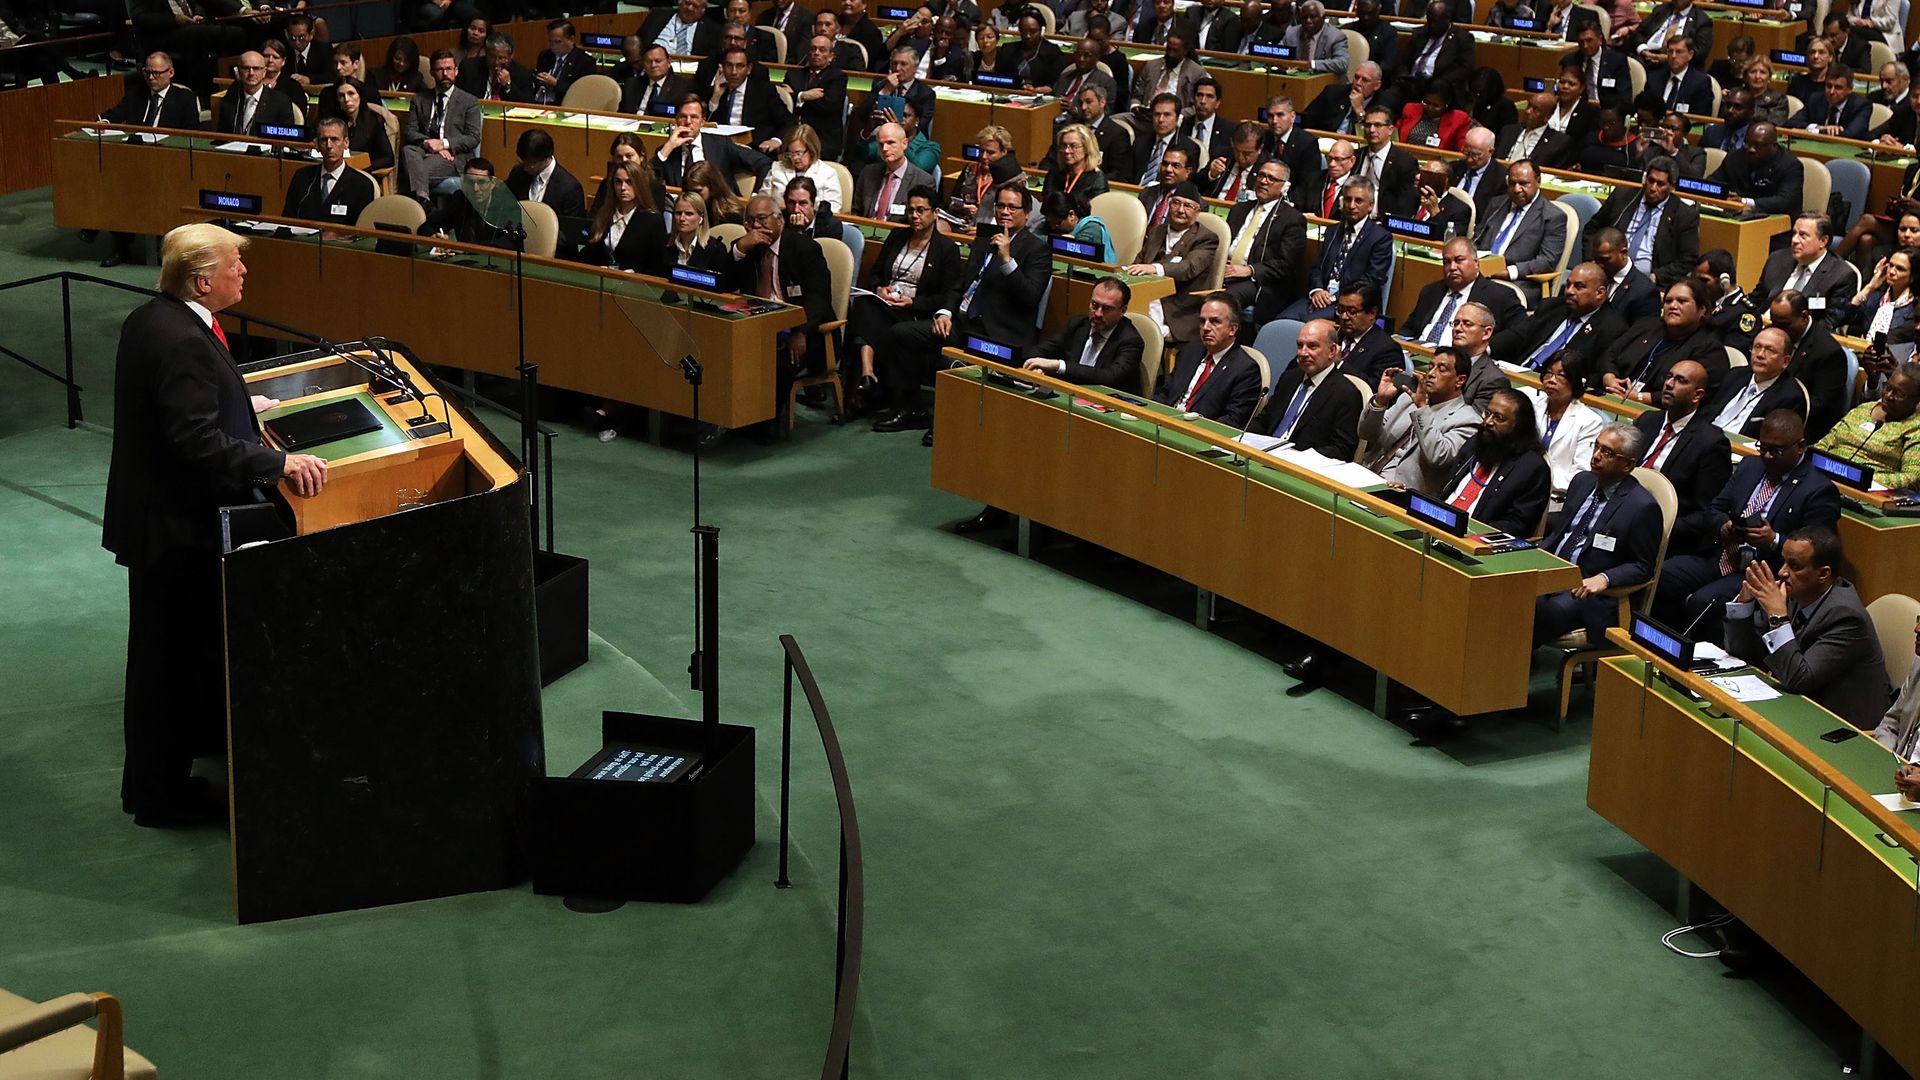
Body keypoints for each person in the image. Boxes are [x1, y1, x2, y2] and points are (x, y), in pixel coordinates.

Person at [103, 223, 328, 827]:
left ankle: (159, 783)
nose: (244, 272)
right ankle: (159, 797)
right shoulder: (182, 340)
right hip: (177, 529)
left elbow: (181, 407)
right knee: (165, 667)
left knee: (164, 658)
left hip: (156, 521)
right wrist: (280, 461)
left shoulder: (156, 319)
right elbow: (194, 440)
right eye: (235, 264)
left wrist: (240, 404)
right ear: (203, 280)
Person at [874, 183, 1052, 432]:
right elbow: (961, 284)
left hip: (998, 331)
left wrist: (1007, 260)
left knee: (952, 356)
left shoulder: (1037, 249)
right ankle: (913, 409)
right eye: (1000, 205)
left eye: (1012, 207)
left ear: (1027, 212)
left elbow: (1030, 297)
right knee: (901, 334)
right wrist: (945, 312)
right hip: (963, 322)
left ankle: (950, 424)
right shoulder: (984, 238)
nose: (1005, 212)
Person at [1656, 409, 1840, 639]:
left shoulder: (1819, 490)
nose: (1768, 456)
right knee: (1662, 577)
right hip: (1723, 555)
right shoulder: (1750, 466)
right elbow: (1714, 509)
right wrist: (1724, 527)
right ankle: (1660, 649)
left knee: (1704, 603)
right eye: (1763, 448)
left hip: (1764, 571)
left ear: (1801, 446)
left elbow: (1820, 549)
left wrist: (1773, 540)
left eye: (1777, 450)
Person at [1725, 527, 1890, 729]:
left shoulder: (1846, 617)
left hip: (1840, 729)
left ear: (1823, 574)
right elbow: (1741, 651)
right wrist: (1744, 604)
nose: (1782, 572)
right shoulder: (1797, 595)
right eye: (1784, 561)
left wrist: (1777, 616)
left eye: (1794, 566)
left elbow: (1798, 679)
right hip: (1798, 707)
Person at [1532, 422, 1664, 645]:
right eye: (1597, 446)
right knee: (1506, 591)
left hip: (1590, 592)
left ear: (1628, 465)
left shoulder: (1642, 507)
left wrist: (1604, 579)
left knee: (1537, 611)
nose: (1596, 456)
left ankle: (1511, 669)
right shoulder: (1582, 482)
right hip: (1553, 571)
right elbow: (1561, 532)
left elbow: (1642, 566)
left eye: (1608, 452)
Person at [847, 186, 964, 407]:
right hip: (887, 304)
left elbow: (947, 295)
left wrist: (913, 302)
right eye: (911, 210)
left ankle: (864, 387)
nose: (915, 216)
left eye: (921, 210)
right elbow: (876, 273)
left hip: (914, 313)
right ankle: (868, 373)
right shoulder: (897, 235)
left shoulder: (946, 248)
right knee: (864, 304)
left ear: (935, 212)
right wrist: (880, 288)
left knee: (870, 320)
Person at [1634, 359, 1733, 554]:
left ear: (1697, 395)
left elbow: (1706, 512)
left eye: (1681, 380)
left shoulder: (1711, 443)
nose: (1669, 384)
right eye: (1669, 377)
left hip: (1664, 535)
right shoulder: (1646, 421)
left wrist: (1659, 528)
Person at [1359, 348, 1479, 494]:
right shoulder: (1407, 399)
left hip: (1402, 492)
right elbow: (1366, 434)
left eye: (1441, 370)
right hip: (1366, 475)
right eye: (1430, 367)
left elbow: (1438, 457)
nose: (1431, 374)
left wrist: (1422, 408)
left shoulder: (1468, 421)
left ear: (1460, 380)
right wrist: (1380, 400)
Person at [1442, 387, 1553, 537]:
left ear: (1519, 427)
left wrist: (1471, 533)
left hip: (1473, 540)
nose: (1488, 422)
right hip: (1439, 523)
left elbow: (1518, 525)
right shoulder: (1475, 444)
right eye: (1487, 413)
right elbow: (1445, 489)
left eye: (1498, 418)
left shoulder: (1532, 468)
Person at [1278, 178, 1392, 320]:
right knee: (1281, 321)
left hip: (1352, 306)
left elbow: (1371, 280)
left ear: (1370, 205)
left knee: (1309, 327)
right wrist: (1317, 290)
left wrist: (1334, 298)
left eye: (1358, 201)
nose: (1351, 206)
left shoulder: (1380, 237)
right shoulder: (1333, 231)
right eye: (1348, 199)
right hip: (1319, 298)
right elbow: (1317, 268)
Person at [1253, 316, 1364, 459]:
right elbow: (1264, 420)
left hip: (1301, 467)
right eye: (1300, 345)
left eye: (1312, 346)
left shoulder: (1346, 393)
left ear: (1332, 351)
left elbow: (1342, 449)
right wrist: (1242, 438)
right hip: (1265, 456)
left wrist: (1298, 457)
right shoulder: (1289, 378)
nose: (1303, 353)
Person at [1601, 278, 1724, 405]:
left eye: (1682, 301)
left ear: (1702, 309)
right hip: (1613, 397)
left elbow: (1694, 394)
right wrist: (1610, 377)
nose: (1673, 306)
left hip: (1658, 413)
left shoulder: (1710, 349)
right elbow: (1610, 353)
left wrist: (1640, 397)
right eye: (1668, 301)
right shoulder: (1647, 326)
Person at [1125, 182, 1220, 344]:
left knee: (1136, 333)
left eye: (1188, 206)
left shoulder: (1206, 238)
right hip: (1145, 297)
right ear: (1169, 205)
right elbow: (1140, 261)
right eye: (1176, 203)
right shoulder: (1158, 231)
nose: (1180, 210)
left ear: (1197, 212)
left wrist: (1154, 268)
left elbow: (1188, 268)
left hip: (1178, 307)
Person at [1583, 156, 1699, 286]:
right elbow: (1592, 229)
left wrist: (1658, 276)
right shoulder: (1622, 196)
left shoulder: (1684, 215)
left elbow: (1688, 258)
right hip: (1607, 270)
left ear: (1672, 187)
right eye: (1651, 180)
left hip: (1648, 281)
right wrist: (1591, 260)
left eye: (1660, 184)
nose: (1653, 188)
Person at [1151, 294, 1264, 425]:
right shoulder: (1190, 351)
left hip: (1200, 435)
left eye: (1215, 322)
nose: (1206, 327)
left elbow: (1232, 421)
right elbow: (1165, 394)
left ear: (1233, 329)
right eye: (1202, 321)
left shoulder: (1245, 369)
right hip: (1165, 424)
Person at [1022, 276, 1147, 390]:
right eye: (1094, 305)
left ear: (1123, 310)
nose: (1098, 313)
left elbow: (1110, 377)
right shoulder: (1078, 324)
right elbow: (1039, 351)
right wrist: (1037, 368)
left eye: (1107, 309)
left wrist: (1059, 365)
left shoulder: (1131, 341)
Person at [1219, 160, 1304, 325]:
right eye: (1262, 175)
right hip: (1225, 272)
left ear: (1284, 186)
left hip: (1257, 282)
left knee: (1224, 300)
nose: (1264, 181)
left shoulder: (1292, 219)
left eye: (1271, 178)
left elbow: (1285, 264)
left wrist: (1249, 270)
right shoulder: (1239, 209)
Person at [1399, 237, 1526, 347]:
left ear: (1476, 263)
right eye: (1447, 262)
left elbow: (1520, 332)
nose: (1452, 267)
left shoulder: (1499, 296)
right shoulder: (1431, 291)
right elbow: (1409, 328)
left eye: (1459, 260)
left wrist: (1484, 348)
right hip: (1420, 354)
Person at [1814, 361, 1920, 489]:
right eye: (1888, 387)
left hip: (1868, 492)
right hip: (1825, 477)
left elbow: (1912, 478)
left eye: (1899, 394)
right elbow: (1825, 443)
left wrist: (1862, 477)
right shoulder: (1863, 409)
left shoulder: (1914, 428)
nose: (1888, 396)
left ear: (1916, 400)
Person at [1475, 160, 1565, 303]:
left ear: (1538, 181)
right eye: (1512, 183)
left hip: (1519, 282)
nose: (1517, 189)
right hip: (1481, 272)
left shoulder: (1553, 216)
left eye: (1523, 184)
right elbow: (1477, 239)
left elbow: (1546, 261)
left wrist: (1508, 273)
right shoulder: (1497, 204)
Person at [1523, 354, 1606, 508]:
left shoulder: (1589, 421)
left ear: (1578, 382)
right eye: (1549, 372)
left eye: (1561, 375)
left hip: (1555, 498)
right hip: (1519, 485)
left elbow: (1581, 475)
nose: (1552, 380)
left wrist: (1534, 478)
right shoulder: (1530, 403)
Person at [403, 50, 483, 204]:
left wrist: (444, 144)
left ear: (456, 71)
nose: (445, 74)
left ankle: (421, 200)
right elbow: (410, 132)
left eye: (449, 69)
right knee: (407, 150)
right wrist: (429, 143)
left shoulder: (469, 101)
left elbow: (473, 137)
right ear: (432, 72)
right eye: (440, 70)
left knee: (412, 172)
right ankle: (423, 198)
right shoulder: (419, 99)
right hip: (423, 150)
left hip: (453, 156)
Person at [1699, 327, 1808, 437]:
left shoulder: (1791, 397)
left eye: (1770, 350)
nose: (1760, 355)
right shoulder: (1735, 375)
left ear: (1785, 361)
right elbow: (1707, 411)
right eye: (1757, 347)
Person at [653, 96, 773, 193]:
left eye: (694, 117)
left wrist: (755, 195)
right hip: (683, 213)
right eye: (683, 117)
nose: (688, 122)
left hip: (720, 211)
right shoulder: (668, 151)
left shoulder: (721, 145)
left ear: (703, 122)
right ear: (676, 120)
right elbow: (647, 180)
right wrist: (668, 147)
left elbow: (763, 162)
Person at [282, 118, 376, 229]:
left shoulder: (362, 185)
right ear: (317, 145)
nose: (329, 146)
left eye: (335, 139)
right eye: (324, 140)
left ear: (346, 143)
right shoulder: (302, 177)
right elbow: (287, 220)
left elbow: (362, 232)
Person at [579, 160, 666, 273]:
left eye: (629, 182)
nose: (623, 187)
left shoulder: (653, 221)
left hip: (635, 285)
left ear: (639, 185)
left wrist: (637, 276)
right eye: (618, 182)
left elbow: (657, 266)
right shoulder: (605, 214)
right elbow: (591, 252)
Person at [1710, 122, 1803, 216]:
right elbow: (1713, 182)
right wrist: (1724, 195)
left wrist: (1744, 201)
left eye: (1758, 145)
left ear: (1774, 145)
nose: (1751, 149)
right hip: (1734, 215)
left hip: (1772, 220)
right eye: (1748, 144)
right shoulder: (1735, 157)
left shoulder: (1790, 165)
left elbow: (1785, 201)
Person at [852, 122, 938, 221]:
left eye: (890, 143)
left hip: (900, 234)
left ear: (904, 144)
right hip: (865, 231)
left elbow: (923, 221)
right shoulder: (868, 173)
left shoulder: (923, 181)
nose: (885, 149)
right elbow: (856, 211)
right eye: (881, 144)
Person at [784, 35, 848, 159]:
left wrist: (796, 97)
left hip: (822, 139)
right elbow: (784, 104)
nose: (816, 53)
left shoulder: (837, 78)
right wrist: (803, 96)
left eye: (822, 50)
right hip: (792, 135)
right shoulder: (793, 75)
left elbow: (827, 107)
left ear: (831, 57)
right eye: (813, 49)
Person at [760, 125, 843, 214]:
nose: (795, 158)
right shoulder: (777, 168)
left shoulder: (828, 173)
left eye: (798, 153)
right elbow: (762, 201)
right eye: (791, 153)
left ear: (811, 150)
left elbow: (833, 209)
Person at [505, 128, 584, 219]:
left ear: (546, 158)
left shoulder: (570, 189)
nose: (525, 168)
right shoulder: (518, 173)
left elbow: (570, 227)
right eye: (522, 162)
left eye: (531, 164)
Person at [1353, 106, 1418, 218]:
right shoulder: (1356, 156)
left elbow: (1406, 205)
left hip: (1383, 224)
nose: (1372, 130)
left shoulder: (1405, 163)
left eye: (1378, 125)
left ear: (1390, 130)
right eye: (1368, 125)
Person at [1333, 282, 1404, 384]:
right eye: (1341, 310)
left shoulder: (1387, 350)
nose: (1344, 317)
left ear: (1372, 313)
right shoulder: (1334, 336)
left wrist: (1340, 364)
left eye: (1352, 311)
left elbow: (1377, 388)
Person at [216, 52, 297, 136]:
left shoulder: (281, 101)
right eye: (246, 68)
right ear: (239, 71)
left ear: (264, 72)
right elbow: (221, 134)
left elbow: (286, 138)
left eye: (256, 68)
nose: (251, 73)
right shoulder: (230, 97)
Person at [1788, 64, 1871, 139]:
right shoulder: (1816, 99)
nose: (1831, 92)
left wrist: (1816, 131)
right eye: (1829, 86)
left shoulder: (1862, 106)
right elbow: (1791, 123)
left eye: (1838, 88)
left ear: (1849, 89)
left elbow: (1851, 134)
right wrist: (1819, 127)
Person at [328, 81, 393, 175]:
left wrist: (362, 168)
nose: (346, 99)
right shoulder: (333, 121)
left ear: (360, 95)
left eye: (351, 93)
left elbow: (388, 158)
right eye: (341, 95)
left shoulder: (374, 120)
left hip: (364, 172)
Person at [1497, 91, 1572, 168]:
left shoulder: (1558, 142)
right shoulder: (1508, 130)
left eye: (1535, 109)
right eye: (1529, 106)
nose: (1528, 111)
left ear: (1547, 117)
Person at [1043, 190, 1117, 265]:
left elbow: (1080, 253)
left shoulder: (1092, 228)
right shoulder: (1050, 225)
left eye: (1058, 223)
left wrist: (1063, 242)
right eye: (1050, 223)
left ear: (1071, 215)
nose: (1053, 228)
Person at [533, 19, 597, 105]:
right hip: (539, 103)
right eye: (550, 41)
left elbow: (582, 93)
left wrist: (556, 84)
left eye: (557, 42)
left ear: (571, 39)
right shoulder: (545, 56)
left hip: (565, 106)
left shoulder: (585, 61)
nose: (553, 46)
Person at [1042, 123, 1110, 202]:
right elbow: (1045, 206)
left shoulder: (1097, 178)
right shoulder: (1054, 173)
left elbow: (1097, 211)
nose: (1067, 151)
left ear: (1087, 148)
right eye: (1064, 145)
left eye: (1073, 146)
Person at [1396, 81, 1471, 152]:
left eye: (1436, 106)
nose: (1430, 108)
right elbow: (1395, 136)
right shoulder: (1410, 109)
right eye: (1426, 103)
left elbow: (1462, 149)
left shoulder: (1459, 119)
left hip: (1438, 162)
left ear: (1447, 103)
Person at [622, 42, 692, 117]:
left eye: (658, 61)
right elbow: (622, 113)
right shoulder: (631, 84)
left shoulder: (683, 87)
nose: (653, 65)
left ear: (668, 62)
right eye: (648, 62)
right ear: (643, 64)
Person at [666, 191, 730, 272]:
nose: (682, 218)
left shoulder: (715, 250)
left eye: (688, 214)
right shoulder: (663, 243)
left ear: (701, 218)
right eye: (678, 213)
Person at [1468, 67, 1518, 135]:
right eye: (1473, 91)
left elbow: (1508, 136)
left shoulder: (1506, 106)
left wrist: (1483, 131)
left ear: (1492, 90)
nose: (1475, 95)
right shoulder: (1480, 104)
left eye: (1479, 92)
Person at [1745, 56, 1790, 125]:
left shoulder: (1779, 99)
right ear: (1746, 76)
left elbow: (1775, 122)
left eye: (1762, 72)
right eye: (1753, 72)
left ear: (1769, 77)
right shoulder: (1736, 94)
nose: (1757, 76)